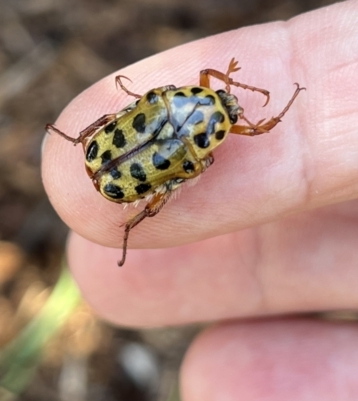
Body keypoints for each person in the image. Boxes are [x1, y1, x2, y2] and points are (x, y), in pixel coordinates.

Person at [42, 1, 358, 399]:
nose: (230, 105)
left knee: (170, 163)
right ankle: (103, 180)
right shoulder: (191, 143)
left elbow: (208, 93)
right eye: (224, 102)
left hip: (113, 165)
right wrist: (258, 97)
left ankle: (103, 181)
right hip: (118, 169)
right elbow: (250, 127)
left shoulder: (166, 105)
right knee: (176, 174)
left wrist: (245, 88)